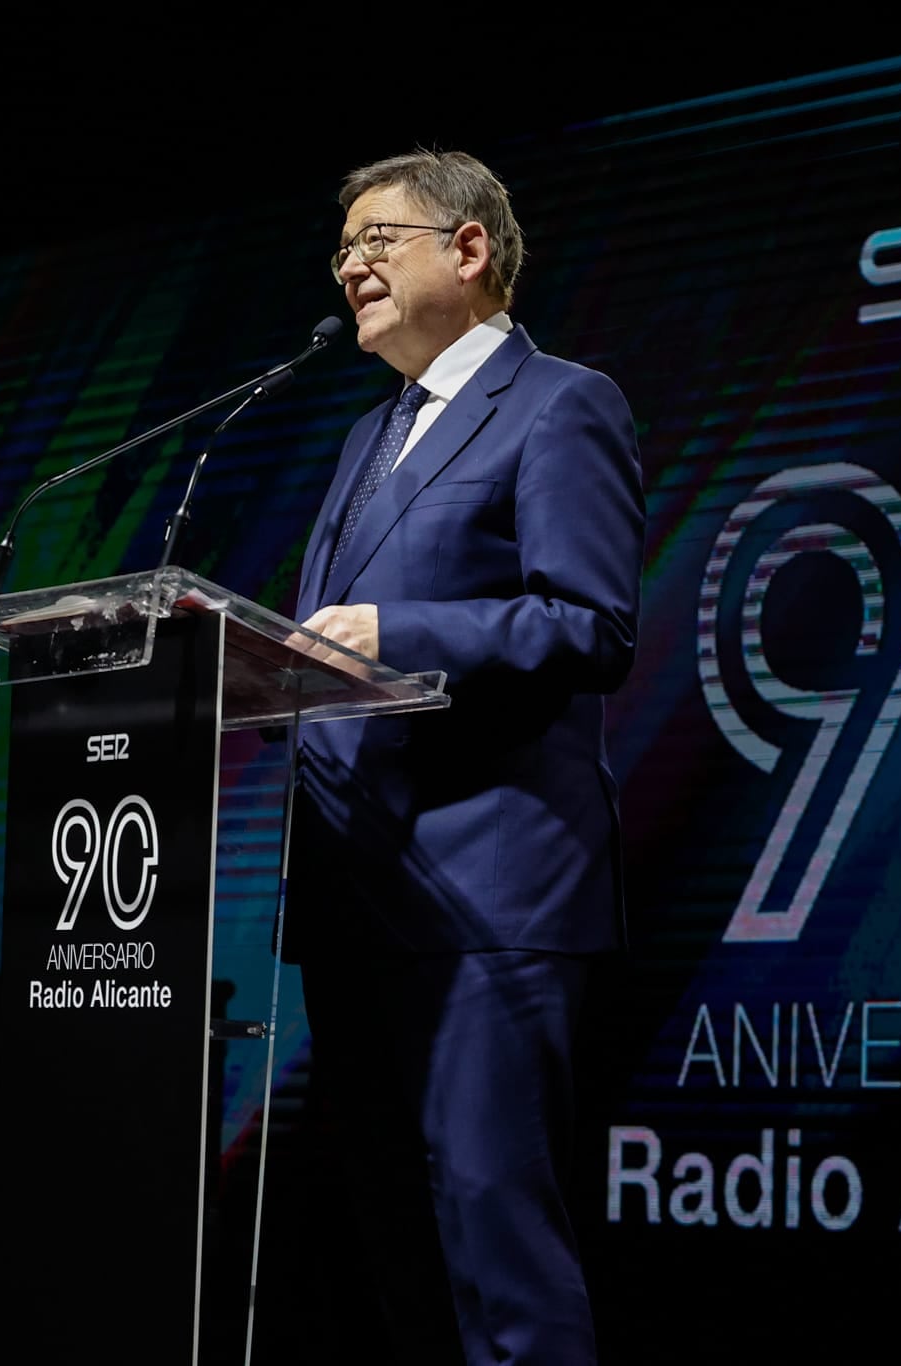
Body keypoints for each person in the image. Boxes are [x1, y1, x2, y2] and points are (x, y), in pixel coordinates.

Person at [279, 149, 643, 1365]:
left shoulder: (560, 404)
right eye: (341, 249)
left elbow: (588, 626)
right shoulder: (366, 437)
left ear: (469, 249)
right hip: (357, 900)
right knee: (393, 1250)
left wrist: (404, 633)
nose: (348, 266)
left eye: (374, 240)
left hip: (491, 895)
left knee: (495, 1242)